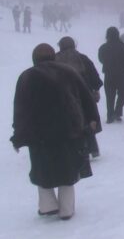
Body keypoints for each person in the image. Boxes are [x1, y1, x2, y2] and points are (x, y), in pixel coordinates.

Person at [11, 43, 101, 220]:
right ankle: (66, 209)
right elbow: (86, 98)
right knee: (67, 168)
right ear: (53, 56)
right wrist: (92, 121)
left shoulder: (27, 76)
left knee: (41, 168)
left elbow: (20, 109)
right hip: (68, 130)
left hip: (38, 133)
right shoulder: (69, 72)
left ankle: (47, 206)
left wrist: (18, 135)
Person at [55, 37, 103, 158]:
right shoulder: (82, 58)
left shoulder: (55, 60)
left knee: (71, 123)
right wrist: (95, 89)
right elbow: (95, 77)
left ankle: (78, 150)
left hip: (64, 97)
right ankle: (93, 149)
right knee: (88, 120)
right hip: (84, 95)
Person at [98, 27, 124, 123]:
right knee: (123, 94)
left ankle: (110, 116)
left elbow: (101, 59)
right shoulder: (123, 47)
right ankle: (118, 111)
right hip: (121, 74)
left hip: (108, 74)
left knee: (109, 96)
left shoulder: (103, 47)